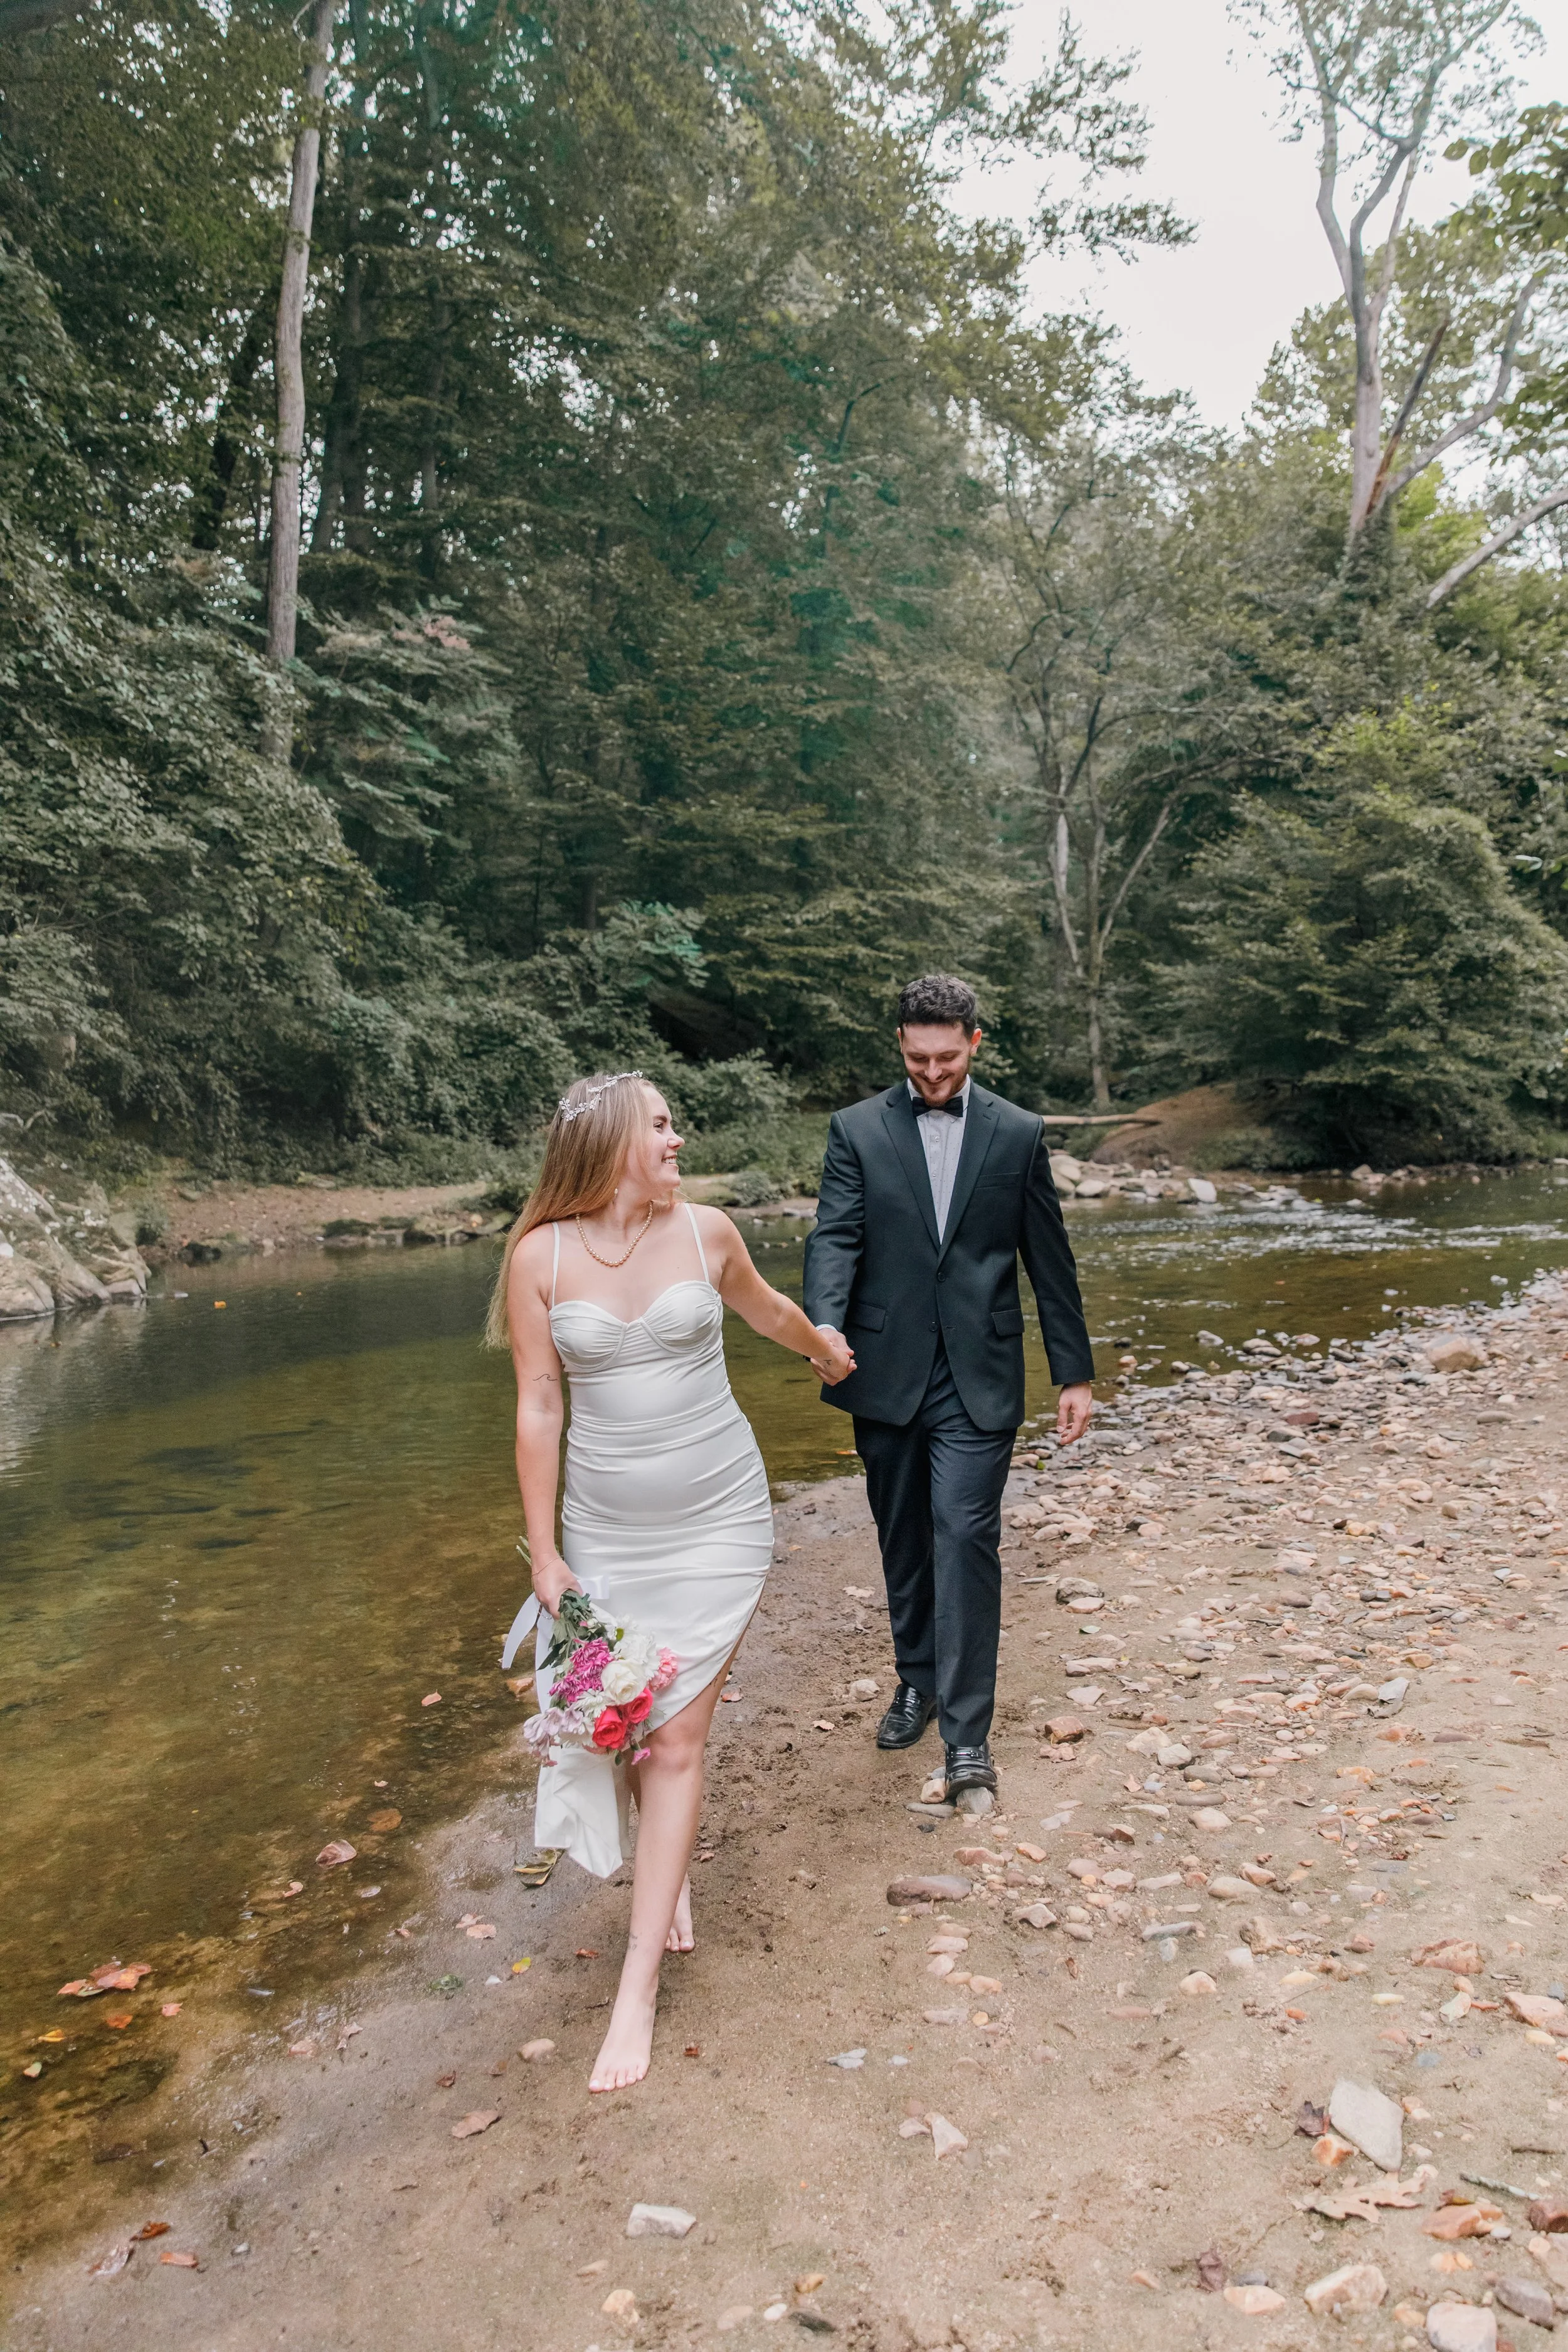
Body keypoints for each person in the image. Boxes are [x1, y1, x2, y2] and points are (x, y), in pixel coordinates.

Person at [487, 1071, 854, 2092]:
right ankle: (665, 1876)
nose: (678, 1138)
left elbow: (767, 1307)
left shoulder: (708, 1231)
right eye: (661, 1125)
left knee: (678, 1732)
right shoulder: (539, 1257)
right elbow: (537, 1405)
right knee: (630, 1725)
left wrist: (820, 1348)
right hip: (607, 1533)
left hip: (721, 1522)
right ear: (612, 1144)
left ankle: (637, 1986)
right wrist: (546, 1551)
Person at [802, 974, 1094, 1803]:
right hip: (882, 1371)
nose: (930, 1074)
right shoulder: (855, 1129)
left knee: (965, 1535)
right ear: (901, 1044)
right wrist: (822, 1328)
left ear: (974, 1041)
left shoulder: (1018, 1132)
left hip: (981, 1374)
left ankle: (967, 1737)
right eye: (914, 1058)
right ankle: (917, 1679)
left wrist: (1073, 1370)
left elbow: (1051, 1256)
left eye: (944, 1058)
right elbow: (836, 1237)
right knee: (903, 1536)